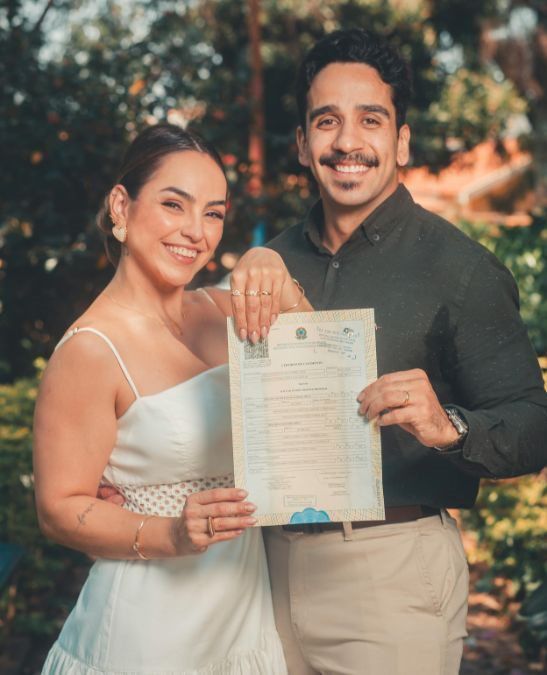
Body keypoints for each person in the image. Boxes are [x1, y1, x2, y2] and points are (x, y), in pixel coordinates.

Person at [261, 28, 547, 675]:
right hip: (261, 572)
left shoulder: (460, 269)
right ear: (302, 144)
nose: (347, 141)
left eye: (370, 119)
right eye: (326, 121)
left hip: (389, 570)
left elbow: (534, 424)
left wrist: (449, 427)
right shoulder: (270, 263)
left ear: (401, 141)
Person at [33, 123, 311, 674]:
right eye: (173, 204)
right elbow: (59, 510)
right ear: (121, 206)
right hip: (147, 630)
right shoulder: (90, 350)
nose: (195, 231)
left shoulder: (227, 310)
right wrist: (173, 533)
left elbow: (323, 388)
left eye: (213, 213)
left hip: (242, 615)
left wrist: (275, 271)